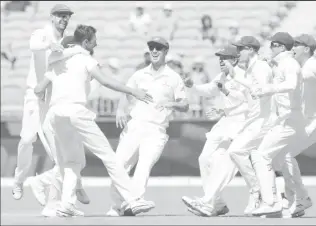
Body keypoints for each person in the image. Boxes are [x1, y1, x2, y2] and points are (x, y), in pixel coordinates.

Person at [34, 24, 156, 217]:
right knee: (109, 156)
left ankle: (66, 205)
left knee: (71, 161)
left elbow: (40, 87)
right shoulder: (85, 59)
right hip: (76, 111)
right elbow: (106, 81)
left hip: (55, 114)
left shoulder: (57, 59)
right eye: (94, 41)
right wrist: (133, 91)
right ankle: (133, 199)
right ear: (85, 42)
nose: (96, 43)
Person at [11, 4, 89, 211]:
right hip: (34, 94)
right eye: (60, 16)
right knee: (27, 139)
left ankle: (71, 192)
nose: (64, 19)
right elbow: (34, 45)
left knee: (59, 151)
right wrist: (50, 46)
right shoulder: (42, 33)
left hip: (53, 99)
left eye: (67, 16)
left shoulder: (67, 40)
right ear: (52, 17)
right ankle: (19, 180)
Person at [107, 36, 189, 217]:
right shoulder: (139, 74)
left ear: (166, 52)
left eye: (158, 48)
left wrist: (172, 105)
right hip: (135, 125)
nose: (154, 51)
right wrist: (121, 109)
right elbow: (126, 92)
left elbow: (185, 105)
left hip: (156, 129)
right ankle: (116, 205)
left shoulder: (173, 77)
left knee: (144, 165)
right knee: (119, 165)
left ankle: (133, 203)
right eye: (151, 47)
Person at [181, 45, 250, 217]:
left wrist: (226, 91)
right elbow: (209, 90)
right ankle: (217, 203)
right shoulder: (222, 76)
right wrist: (193, 86)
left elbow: (246, 100)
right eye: (219, 57)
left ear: (234, 60)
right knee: (204, 158)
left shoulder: (243, 76)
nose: (221, 60)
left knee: (226, 162)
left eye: (224, 57)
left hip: (241, 122)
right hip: (225, 121)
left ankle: (207, 201)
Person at [248, 32, 304, 217]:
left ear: (280, 46)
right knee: (278, 160)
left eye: (272, 45)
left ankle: (271, 202)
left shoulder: (289, 64)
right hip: (286, 119)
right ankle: (292, 202)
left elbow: (291, 84)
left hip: (290, 119)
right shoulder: (283, 63)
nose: (270, 48)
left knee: (261, 155)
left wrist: (267, 89)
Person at [221, 36, 275, 216]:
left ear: (251, 49)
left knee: (236, 151)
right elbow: (246, 96)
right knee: (261, 160)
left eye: (241, 49)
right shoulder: (252, 68)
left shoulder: (260, 67)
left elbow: (259, 90)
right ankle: (272, 197)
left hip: (263, 120)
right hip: (255, 119)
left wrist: (234, 74)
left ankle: (257, 191)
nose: (237, 52)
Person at [277, 34, 316, 218]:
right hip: (303, 121)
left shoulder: (314, 65)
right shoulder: (302, 65)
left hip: (314, 121)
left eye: (297, 44)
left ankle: (300, 198)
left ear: (307, 49)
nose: (293, 47)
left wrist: (280, 61)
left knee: (286, 154)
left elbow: (296, 78)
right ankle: (293, 199)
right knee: (282, 155)